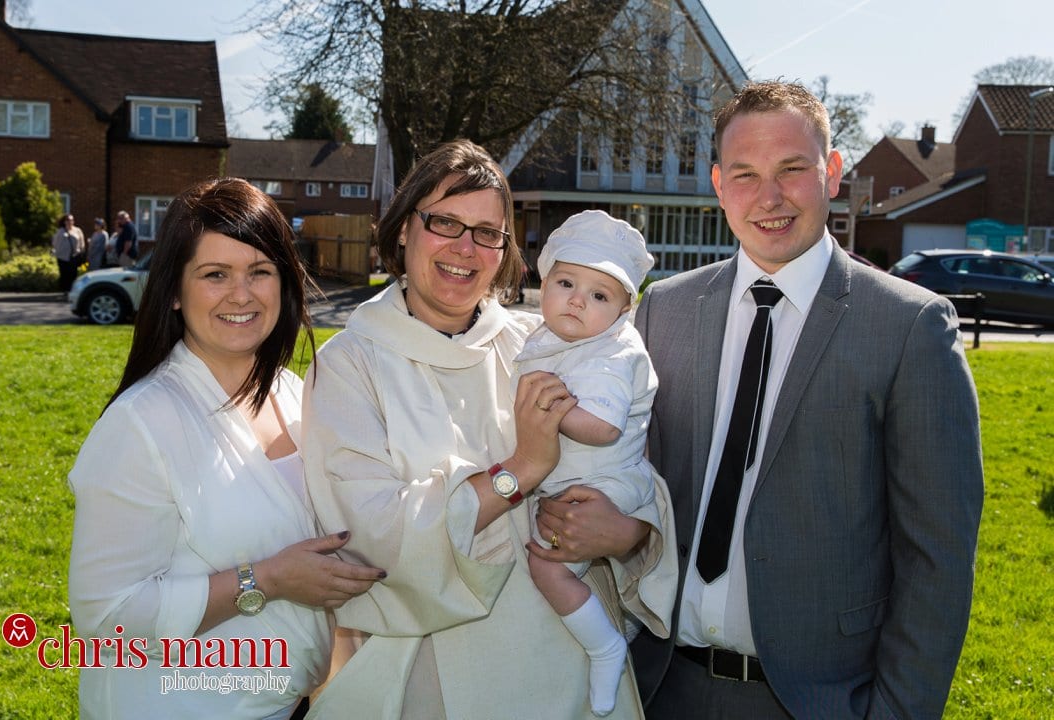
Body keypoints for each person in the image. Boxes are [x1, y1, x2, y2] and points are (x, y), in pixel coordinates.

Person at [631, 80, 984, 720]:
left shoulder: (909, 328)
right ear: (716, 183)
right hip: (660, 687)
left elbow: (937, 559)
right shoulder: (665, 310)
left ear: (833, 170)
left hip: (816, 701)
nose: (769, 197)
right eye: (744, 175)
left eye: (792, 169)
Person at [302, 139, 677, 719]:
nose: (465, 248)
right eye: (445, 222)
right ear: (403, 228)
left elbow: (625, 459)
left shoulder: (541, 344)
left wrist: (625, 534)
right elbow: (368, 533)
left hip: (566, 666)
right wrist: (522, 470)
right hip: (436, 672)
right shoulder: (352, 363)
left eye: (487, 232)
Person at [68, 177, 385, 720]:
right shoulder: (140, 424)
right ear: (174, 289)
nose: (242, 294)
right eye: (215, 274)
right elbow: (105, 613)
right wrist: (266, 580)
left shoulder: (295, 393)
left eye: (260, 271)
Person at [515, 210, 662, 716]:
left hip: (607, 485)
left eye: (600, 295)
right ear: (544, 280)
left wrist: (554, 411)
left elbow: (604, 427)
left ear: (623, 311)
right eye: (566, 282)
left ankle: (607, 645)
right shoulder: (554, 340)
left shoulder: (612, 355)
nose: (577, 299)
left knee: (547, 566)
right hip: (577, 479)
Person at [51, 213, 85, 295]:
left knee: (73, 274)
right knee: (64, 274)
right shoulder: (60, 231)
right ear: (65, 222)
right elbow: (55, 243)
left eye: (72, 220)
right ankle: (65, 290)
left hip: (74, 256)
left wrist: (81, 251)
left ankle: (72, 290)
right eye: (69, 220)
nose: (70, 222)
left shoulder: (77, 230)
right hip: (62, 257)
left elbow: (81, 242)